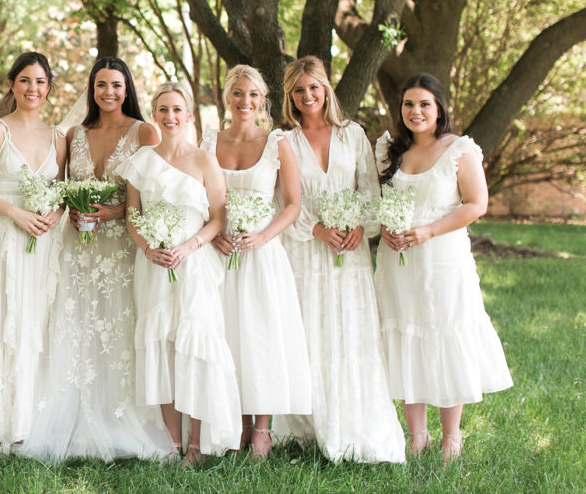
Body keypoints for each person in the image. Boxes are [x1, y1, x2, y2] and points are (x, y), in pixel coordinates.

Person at [18, 58, 176, 463]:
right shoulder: (75, 134)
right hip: (79, 246)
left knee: (121, 327)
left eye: (116, 85)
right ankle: (73, 417)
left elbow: (157, 194)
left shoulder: (145, 132)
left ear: (127, 89)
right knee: (77, 324)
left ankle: (123, 418)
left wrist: (114, 211)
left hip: (124, 246)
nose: (109, 92)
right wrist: (69, 209)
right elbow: (60, 187)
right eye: (101, 85)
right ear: (92, 89)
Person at [271, 56, 405, 463]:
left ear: (326, 89)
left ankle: (355, 423)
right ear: (290, 97)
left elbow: (369, 190)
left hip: (351, 250)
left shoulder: (353, 135)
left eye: (314, 87)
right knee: (309, 331)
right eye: (298, 90)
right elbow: (279, 199)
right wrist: (316, 228)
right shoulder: (283, 139)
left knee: (351, 330)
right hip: (304, 248)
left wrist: (359, 226)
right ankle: (307, 427)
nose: (307, 95)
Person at [374, 73, 512, 461]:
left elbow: (476, 204)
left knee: (445, 335)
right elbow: (377, 200)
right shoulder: (389, 151)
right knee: (406, 335)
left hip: (443, 259)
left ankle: (451, 437)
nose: (415, 111)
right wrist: (385, 228)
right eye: (408, 104)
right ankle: (416, 436)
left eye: (424, 104)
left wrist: (428, 231)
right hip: (398, 262)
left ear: (439, 109)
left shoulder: (459, 149)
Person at [119, 82, 241, 465]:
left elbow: (218, 218)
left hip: (195, 264)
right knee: (162, 348)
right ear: (154, 115)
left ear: (188, 115)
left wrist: (189, 247)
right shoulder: (140, 161)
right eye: (163, 110)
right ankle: (173, 444)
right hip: (154, 266)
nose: (170, 117)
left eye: (176, 110)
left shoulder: (205, 160)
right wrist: (147, 247)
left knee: (196, 347)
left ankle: (197, 445)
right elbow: (132, 217)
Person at [202, 65, 311, 460]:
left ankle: (262, 428)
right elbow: (196, 196)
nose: (244, 101)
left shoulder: (277, 143)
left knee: (260, 337)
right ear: (226, 97)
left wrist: (262, 237)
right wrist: (212, 233)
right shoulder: (208, 141)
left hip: (261, 255)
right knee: (227, 336)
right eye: (237, 93)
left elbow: (293, 205)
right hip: (218, 252)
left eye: (252, 94)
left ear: (263, 99)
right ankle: (238, 422)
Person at [0, 52, 67, 453]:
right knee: (0, 319)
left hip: (40, 241)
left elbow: (61, 191)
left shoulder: (59, 137)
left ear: (49, 87)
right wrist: (15, 213)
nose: (32, 89)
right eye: (24, 80)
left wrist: (55, 213)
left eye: (39, 81)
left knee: (32, 322)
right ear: (12, 85)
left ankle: (27, 423)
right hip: (1, 235)